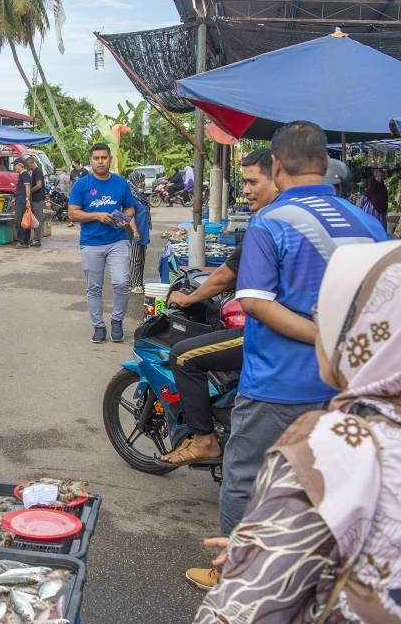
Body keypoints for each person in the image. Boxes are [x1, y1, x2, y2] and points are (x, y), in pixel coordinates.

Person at [195, 240, 401, 623]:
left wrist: (259, 553)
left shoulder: (334, 445)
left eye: (327, 314)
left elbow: (244, 610)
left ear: (363, 333)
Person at [222, 121, 389, 538]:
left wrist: (324, 336)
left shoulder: (271, 221)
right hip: (349, 385)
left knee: (247, 479)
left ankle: (236, 575)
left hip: (278, 386)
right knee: (327, 487)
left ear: (276, 165)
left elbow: (256, 302)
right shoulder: (368, 224)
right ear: (324, 163)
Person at [160, 150, 279, 476]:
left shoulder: (270, 222)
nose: (247, 190)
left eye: (254, 181)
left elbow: (227, 275)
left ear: (278, 174)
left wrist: (190, 298)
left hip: (269, 335)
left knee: (184, 357)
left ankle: (204, 439)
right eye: (244, 182)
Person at [68, 143, 139, 344]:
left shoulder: (120, 183)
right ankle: (98, 326)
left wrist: (123, 218)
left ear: (110, 159)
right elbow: (72, 213)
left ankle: (117, 320)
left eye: (104, 157)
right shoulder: (82, 184)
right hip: (91, 243)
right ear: (90, 161)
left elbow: (130, 209)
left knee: (121, 282)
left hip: (117, 241)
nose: (100, 161)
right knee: (94, 287)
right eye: (96, 158)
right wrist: (96, 216)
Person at [126, 171, 151, 294]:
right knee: (135, 258)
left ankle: (138, 282)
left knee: (141, 258)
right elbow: (130, 216)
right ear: (135, 181)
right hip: (135, 231)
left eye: (143, 180)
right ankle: (133, 284)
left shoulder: (140, 196)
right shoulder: (131, 196)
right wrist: (135, 230)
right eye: (140, 181)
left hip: (142, 230)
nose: (143, 183)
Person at [26, 157, 46, 246]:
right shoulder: (34, 172)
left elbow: (39, 185)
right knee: (34, 219)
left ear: (32, 163)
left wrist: (29, 190)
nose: (27, 167)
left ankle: (37, 240)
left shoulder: (37, 172)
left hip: (38, 199)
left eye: (28, 165)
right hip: (35, 199)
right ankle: (35, 238)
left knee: (37, 219)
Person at [12, 158, 31, 249]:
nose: (14, 167)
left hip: (22, 201)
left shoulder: (24, 174)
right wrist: (15, 199)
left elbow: (27, 187)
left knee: (19, 220)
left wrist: (27, 200)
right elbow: (21, 189)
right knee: (24, 221)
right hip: (20, 200)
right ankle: (25, 241)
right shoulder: (22, 174)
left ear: (20, 165)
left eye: (15, 165)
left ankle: (21, 241)